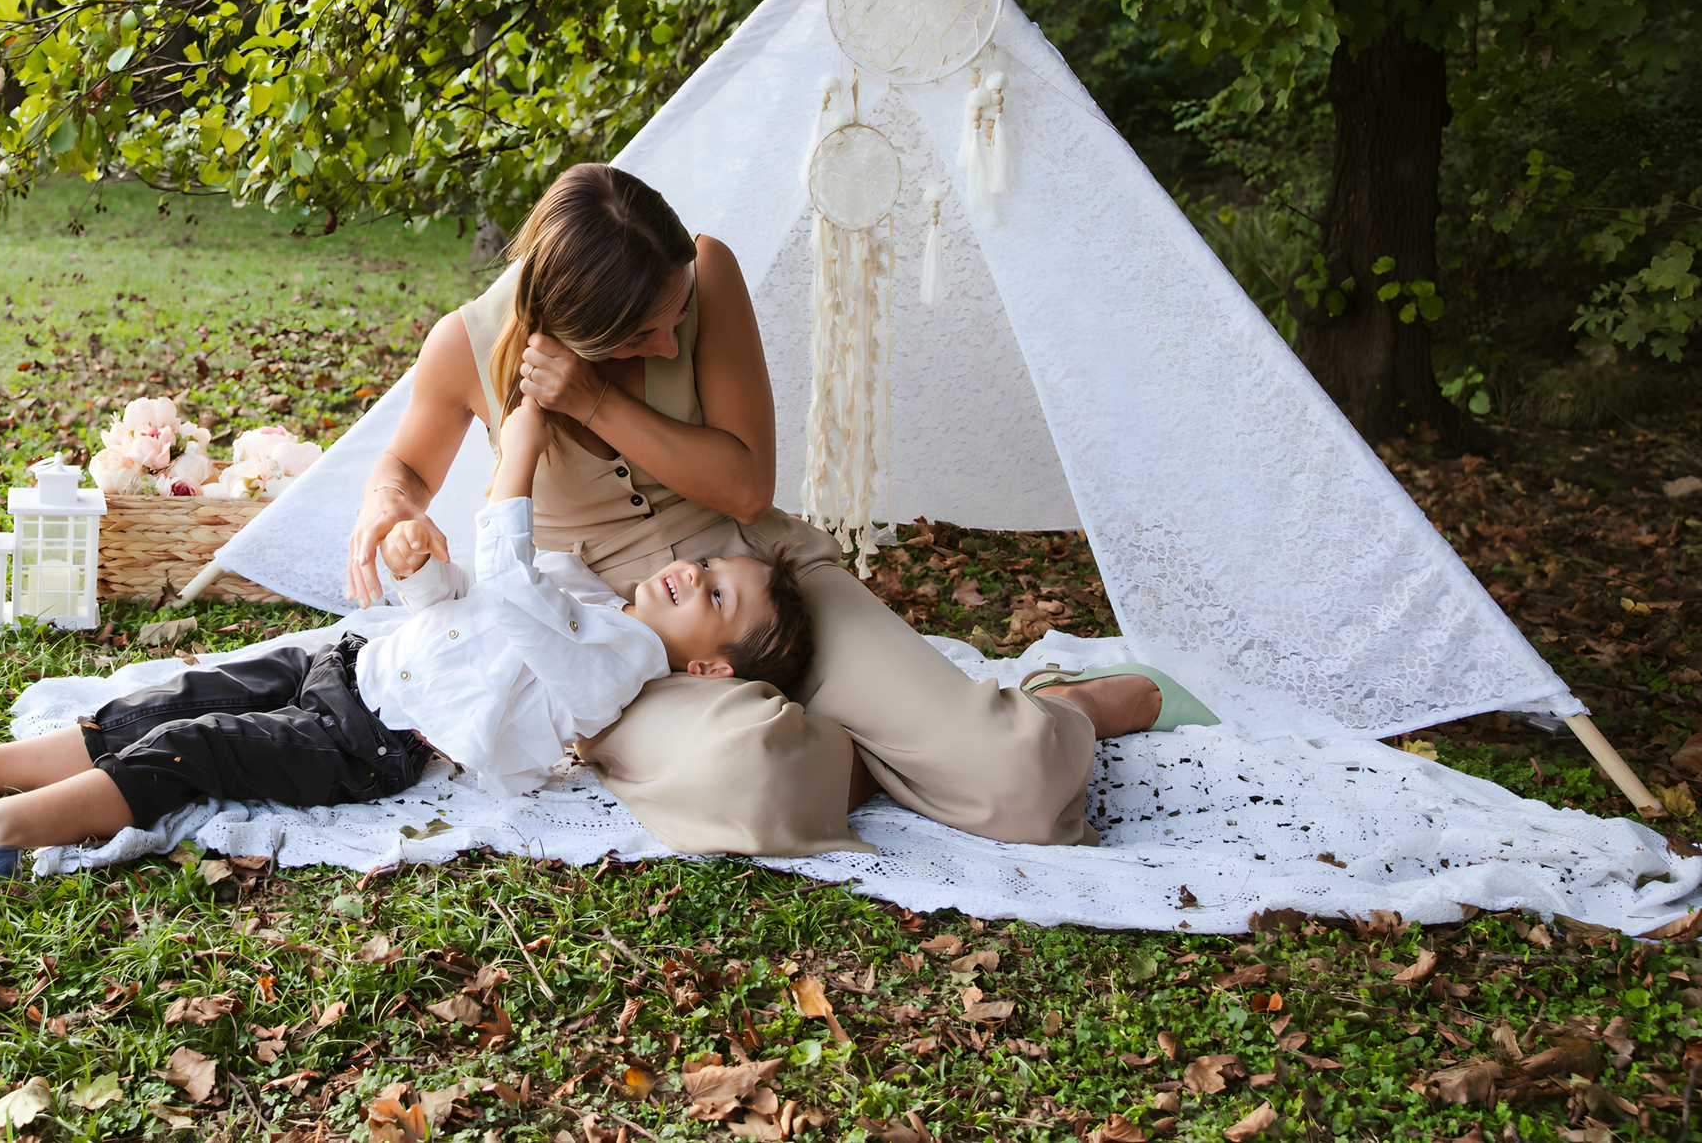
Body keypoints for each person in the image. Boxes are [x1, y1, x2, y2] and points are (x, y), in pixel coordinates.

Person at [346, 162, 1213, 856]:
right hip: (612, 632)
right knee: (747, 777)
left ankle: (1066, 705)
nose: (669, 340)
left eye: (674, 317)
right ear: (575, 327)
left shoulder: (707, 271)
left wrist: (595, 402)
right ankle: (875, 751)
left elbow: (744, 486)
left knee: (1016, 779)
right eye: (642, 337)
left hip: (758, 572)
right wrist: (388, 509)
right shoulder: (462, 345)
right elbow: (404, 470)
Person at [0, 393, 816, 884]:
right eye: (712, 564)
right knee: (180, 696)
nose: (696, 570)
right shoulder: (583, 585)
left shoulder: (620, 664)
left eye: (718, 595)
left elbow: (513, 598)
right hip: (349, 662)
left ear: (706, 663)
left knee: (199, 748)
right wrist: (420, 556)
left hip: (369, 744)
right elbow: (464, 604)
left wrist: (511, 461)